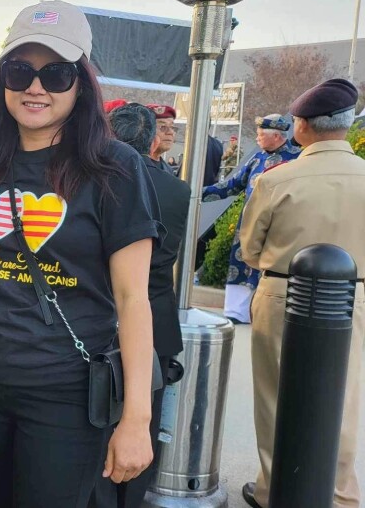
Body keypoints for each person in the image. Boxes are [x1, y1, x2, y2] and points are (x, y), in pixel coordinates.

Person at [0, 1, 160, 507]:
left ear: (81, 82)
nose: (35, 86)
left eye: (55, 73)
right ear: (1, 78)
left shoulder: (114, 168)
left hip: (64, 393)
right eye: (20, 70)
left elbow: (134, 298)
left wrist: (137, 418)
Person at [239, 79, 365, 508]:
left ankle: (277, 491)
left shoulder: (277, 180)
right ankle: (340, 496)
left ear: (302, 126)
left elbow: (250, 250)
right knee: (344, 399)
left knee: (276, 397)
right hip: (356, 297)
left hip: (282, 291)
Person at [97, 103, 189, 507]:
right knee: (141, 430)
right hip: (158, 324)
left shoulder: (97, 180)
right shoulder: (177, 189)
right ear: (152, 139)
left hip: (103, 321)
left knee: (98, 434)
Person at [201, 113, 299, 324]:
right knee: (242, 260)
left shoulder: (297, 159)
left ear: (276, 136)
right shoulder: (258, 158)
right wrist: (195, 193)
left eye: (260, 134)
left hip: (282, 223)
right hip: (250, 222)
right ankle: (237, 312)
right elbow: (231, 185)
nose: (257, 138)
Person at [146, 105, 176, 172]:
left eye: (172, 127)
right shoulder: (133, 167)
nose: (170, 132)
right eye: (163, 127)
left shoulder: (169, 170)